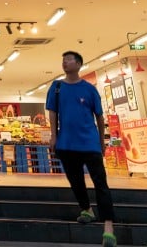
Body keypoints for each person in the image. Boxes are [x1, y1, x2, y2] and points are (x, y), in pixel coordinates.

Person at [46, 51, 116, 247]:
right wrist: (54, 136)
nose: (64, 62)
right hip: (67, 143)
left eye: (69, 60)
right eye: (63, 60)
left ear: (78, 64)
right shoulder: (56, 87)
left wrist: (101, 142)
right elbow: (52, 113)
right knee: (76, 181)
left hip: (90, 143)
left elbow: (99, 117)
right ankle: (87, 209)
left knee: (100, 183)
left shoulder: (89, 89)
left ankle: (109, 227)